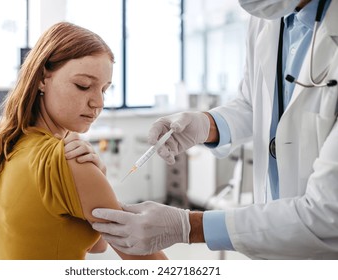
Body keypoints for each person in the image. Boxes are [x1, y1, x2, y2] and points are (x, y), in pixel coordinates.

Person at [90, 0, 338, 259]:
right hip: (274, 241)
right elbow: (253, 104)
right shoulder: (268, 20)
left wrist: (189, 226)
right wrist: (207, 124)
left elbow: (328, 214)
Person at [0, 22, 167, 260]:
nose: (98, 103)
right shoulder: (69, 161)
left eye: (104, 90)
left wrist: (98, 174)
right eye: (83, 86)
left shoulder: (12, 143)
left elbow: (97, 245)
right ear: (42, 78)